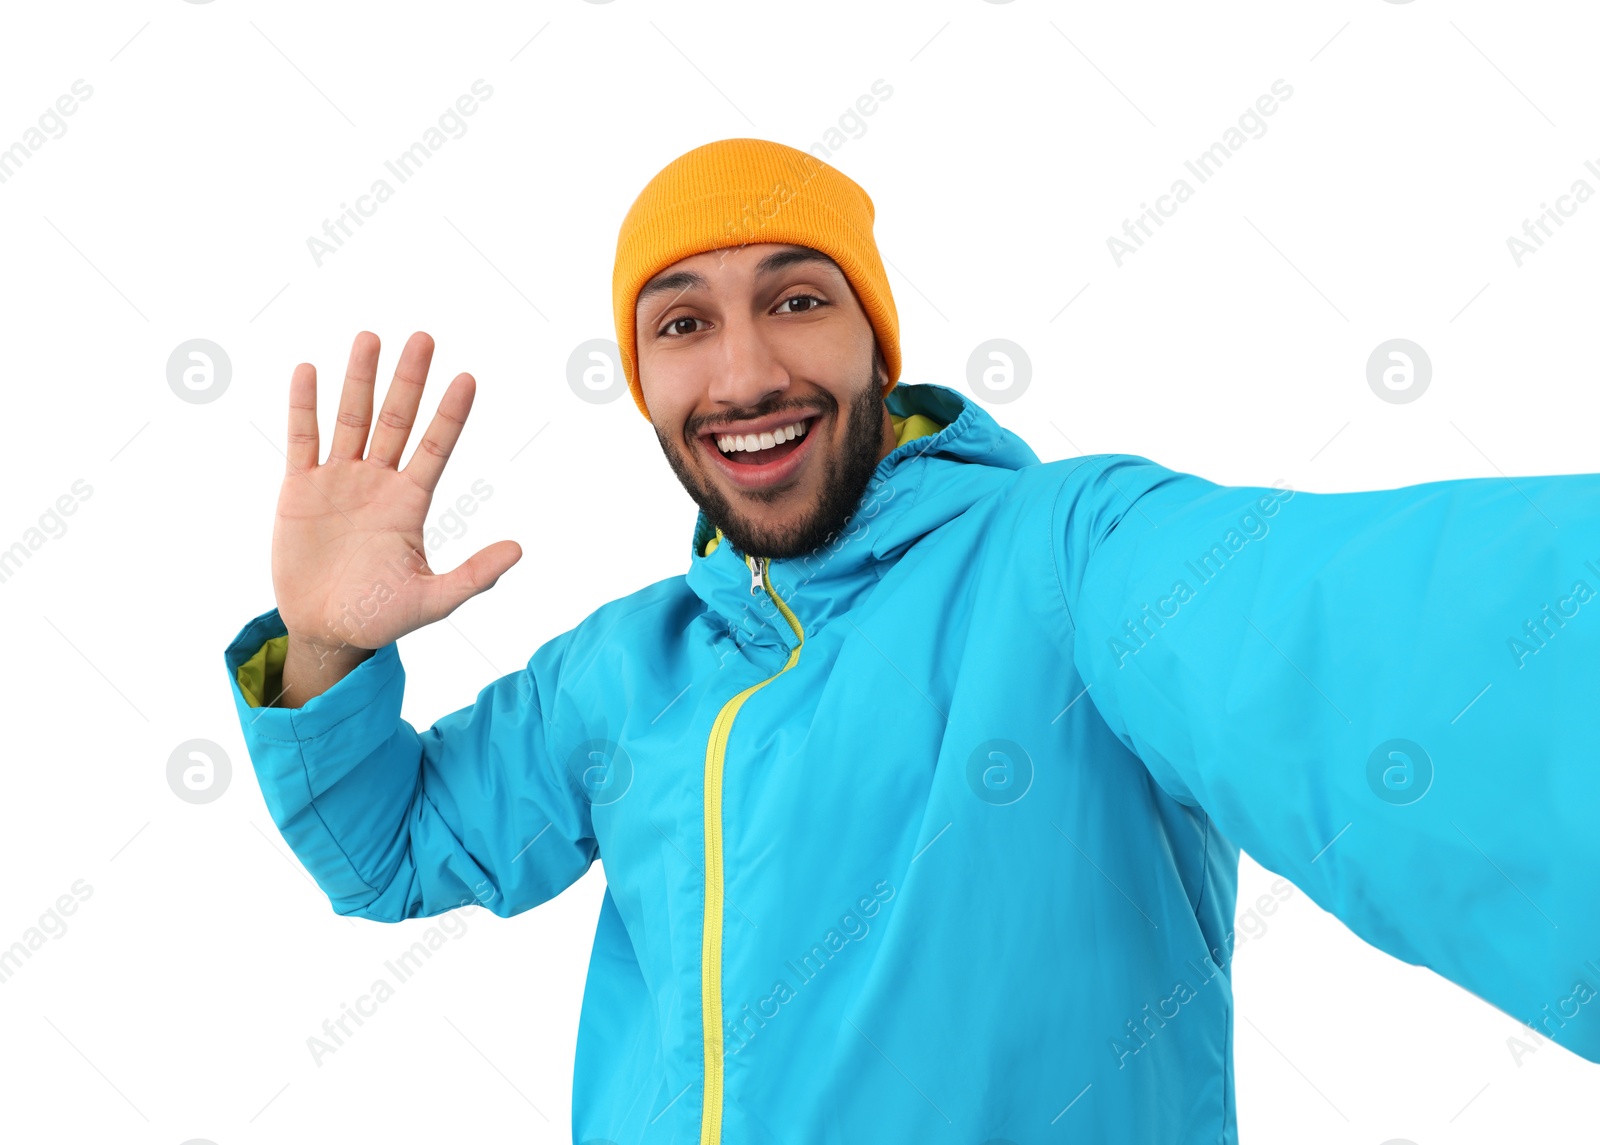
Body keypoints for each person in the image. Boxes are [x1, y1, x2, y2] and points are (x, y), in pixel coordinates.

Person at [223, 137, 1600, 1144]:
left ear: (877, 340)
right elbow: (391, 849)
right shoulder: (620, 668)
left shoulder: (1066, 557)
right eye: (684, 323)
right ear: (642, 383)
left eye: (798, 298)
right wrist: (326, 646)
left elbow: (1348, 645)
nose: (749, 370)